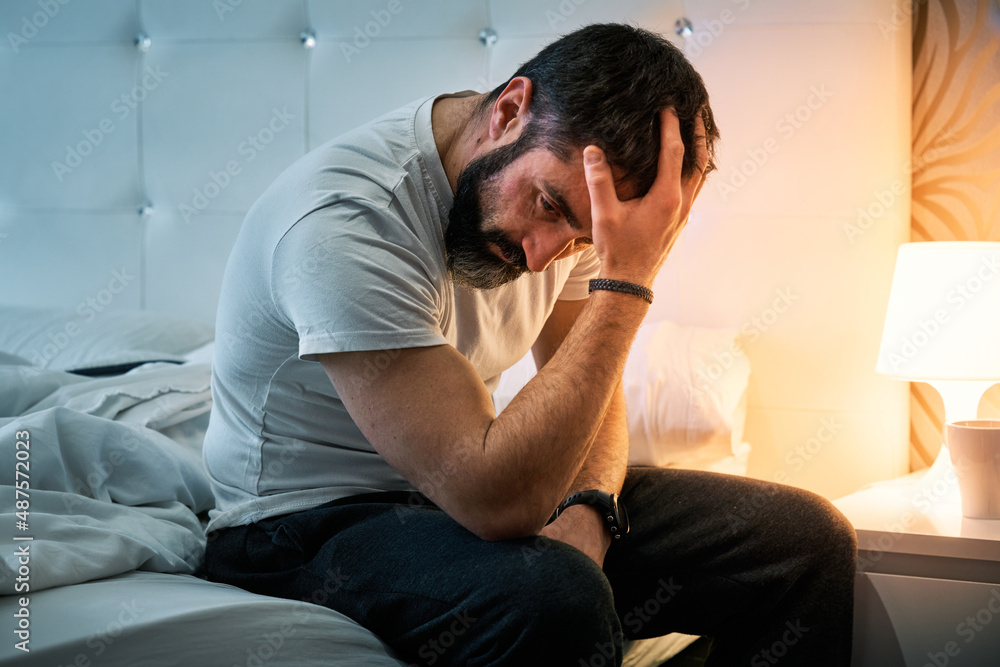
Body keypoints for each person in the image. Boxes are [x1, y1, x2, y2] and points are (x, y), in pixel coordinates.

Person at [202, 23, 857, 666]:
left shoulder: (572, 201)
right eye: (547, 205)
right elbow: (494, 499)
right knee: (555, 594)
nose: (546, 255)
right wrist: (627, 282)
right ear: (509, 111)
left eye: (582, 240)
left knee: (803, 543)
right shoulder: (346, 221)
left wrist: (590, 510)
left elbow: (591, 391)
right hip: (297, 527)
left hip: (450, 503)